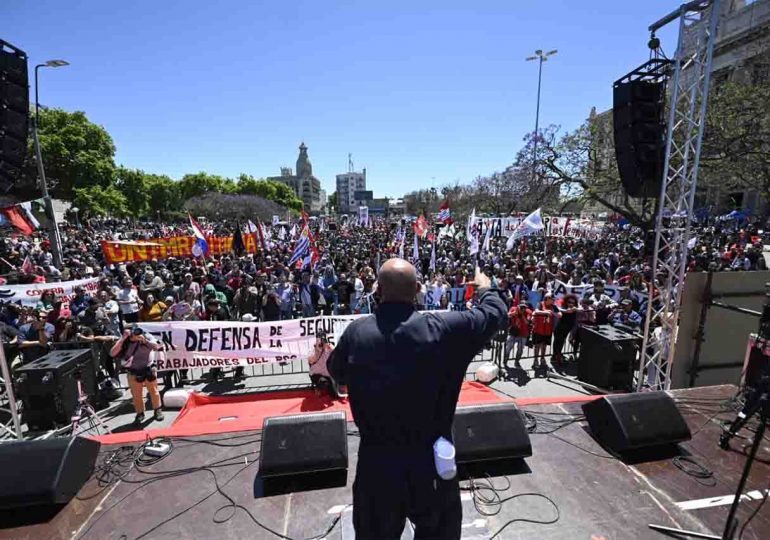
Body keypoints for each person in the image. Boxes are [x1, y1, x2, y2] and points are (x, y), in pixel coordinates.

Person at [328, 259, 506, 539]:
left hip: (378, 465)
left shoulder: (356, 333)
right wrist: (485, 288)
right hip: (432, 462)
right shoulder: (446, 330)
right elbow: (494, 314)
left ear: (378, 290)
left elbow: (336, 372)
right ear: (419, 289)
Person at [110, 326, 164, 426]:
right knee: (136, 395)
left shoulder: (146, 336)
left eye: (138, 331)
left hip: (148, 369)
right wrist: (123, 338)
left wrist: (145, 341)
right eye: (134, 332)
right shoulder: (125, 341)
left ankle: (157, 410)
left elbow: (157, 347)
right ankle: (140, 413)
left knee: (154, 391)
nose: (137, 334)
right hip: (133, 372)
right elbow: (112, 353)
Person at [531, 293, 557, 370]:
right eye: (552, 299)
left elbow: (559, 314)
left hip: (547, 329)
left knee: (544, 345)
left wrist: (553, 313)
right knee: (537, 345)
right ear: (547, 299)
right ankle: (535, 360)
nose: (553, 301)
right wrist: (546, 312)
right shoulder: (540, 304)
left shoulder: (553, 306)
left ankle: (542, 358)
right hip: (539, 328)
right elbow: (536, 311)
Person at [505, 300, 531, 368]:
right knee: (508, 347)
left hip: (523, 333)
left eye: (524, 307)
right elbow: (507, 315)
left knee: (520, 349)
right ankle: (505, 360)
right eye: (522, 307)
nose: (523, 309)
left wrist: (522, 314)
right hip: (513, 332)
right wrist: (514, 313)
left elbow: (527, 322)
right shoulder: (514, 309)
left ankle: (517, 361)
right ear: (518, 306)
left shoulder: (528, 312)